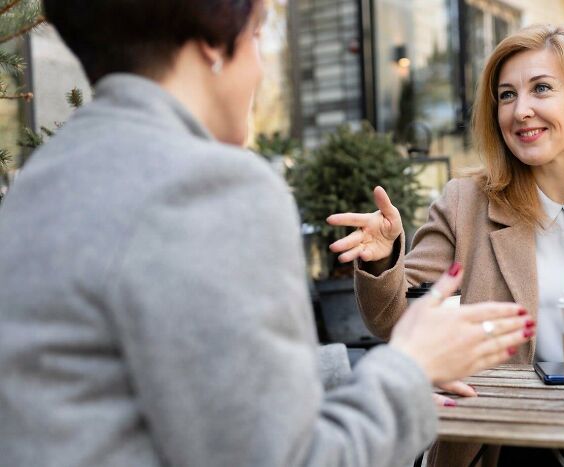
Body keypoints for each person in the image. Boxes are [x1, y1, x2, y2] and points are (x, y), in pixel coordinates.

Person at [0, 1, 535, 466]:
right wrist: (410, 370)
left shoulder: (40, 183)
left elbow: (173, 394)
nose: (259, 68)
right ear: (215, 44)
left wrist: (365, 367)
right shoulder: (209, 185)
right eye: (257, 35)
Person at [328, 24, 564, 466]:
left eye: (541, 89)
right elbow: (399, 323)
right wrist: (385, 257)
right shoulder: (464, 202)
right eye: (506, 95)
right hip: (493, 442)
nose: (520, 111)